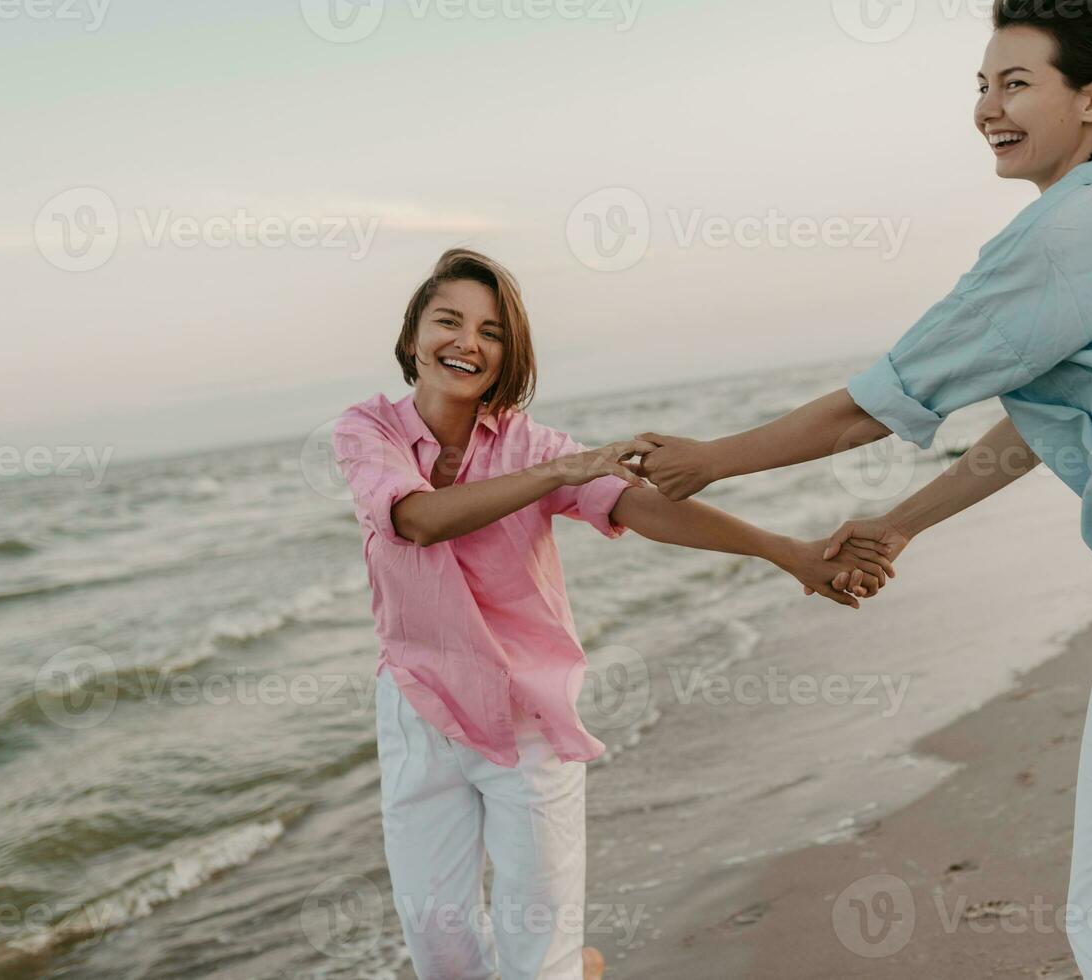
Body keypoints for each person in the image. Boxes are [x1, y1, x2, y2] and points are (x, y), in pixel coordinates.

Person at [631, 1, 1092, 976]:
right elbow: (1044, 418)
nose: (987, 107)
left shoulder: (1068, 233)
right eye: (981, 85)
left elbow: (876, 399)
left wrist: (710, 457)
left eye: (1015, 82)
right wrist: (900, 522)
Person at [332, 248, 893, 980]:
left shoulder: (533, 445)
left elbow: (650, 510)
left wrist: (786, 551)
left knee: (541, 960)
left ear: (508, 357)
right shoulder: (367, 430)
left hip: (528, 710)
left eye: (492, 332)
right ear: (413, 338)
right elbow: (417, 520)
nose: (468, 342)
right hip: (418, 708)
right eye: (449, 321)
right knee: (442, 956)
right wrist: (561, 473)